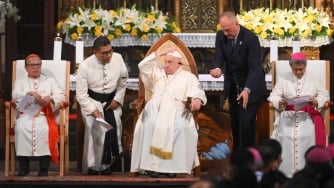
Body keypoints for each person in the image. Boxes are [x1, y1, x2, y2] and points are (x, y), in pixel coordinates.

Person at [130, 48, 207, 178]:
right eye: (165, 61)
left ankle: (172, 167)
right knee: (150, 124)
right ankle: (151, 167)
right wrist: (157, 54)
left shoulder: (188, 77)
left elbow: (198, 91)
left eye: (170, 62)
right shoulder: (157, 72)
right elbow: (142, 66)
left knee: (179, 126)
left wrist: (197, 99)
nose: (166, 65)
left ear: (179, 63)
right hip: (155, 108)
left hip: (178, 109)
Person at [210, 12, 267, 149]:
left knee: (246, 124)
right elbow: (219, 55)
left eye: (227, 29)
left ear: (236, 24)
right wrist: (217, 67)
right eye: (222, 29)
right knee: (235, 123)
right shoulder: (220, 36)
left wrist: (247, 89)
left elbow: (254, 68)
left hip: (250, 85)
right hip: (233, 86)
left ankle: (248, 157)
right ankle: (237, 158)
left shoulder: (250, 38)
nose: (224, 33)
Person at [268, 52, 330, 177]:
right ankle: (286, 173)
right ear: (291, 68)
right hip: (289, 115)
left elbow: (324, 95)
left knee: (307, 134)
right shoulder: (283, 78)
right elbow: (273, 96)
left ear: (305, 67)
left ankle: (307, 173)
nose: (298, 73)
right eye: (295, 70)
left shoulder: (314, 77)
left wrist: (316, 101)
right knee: (285, 135)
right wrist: (279, 101)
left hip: (307, 116)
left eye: (301, 69)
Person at [76, 36, 129, 175]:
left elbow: (123, 82)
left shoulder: (118, 59)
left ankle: (107, 164)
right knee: (95, 127)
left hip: (112, 102)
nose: (109, 55)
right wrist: (93, 110)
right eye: (104, 53)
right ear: (95, 52)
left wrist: (117, 100)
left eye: (110, 51)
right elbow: (81, 95)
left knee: (113, 126)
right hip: (92, 102)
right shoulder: (85, 65)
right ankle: (94, 166)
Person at [12, 54, 65, 176]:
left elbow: (61, 96)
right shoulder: (20, 82)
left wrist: (50, 99)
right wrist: (29, 93)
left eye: (38, 65)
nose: (35, 67)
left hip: (43, 116)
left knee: (46, 129)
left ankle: (43, 169)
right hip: (25, 115)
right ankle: (24, 168)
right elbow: (15, 95)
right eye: (32, 65)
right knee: (20, 128)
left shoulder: (50, 81)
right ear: (26, 68)